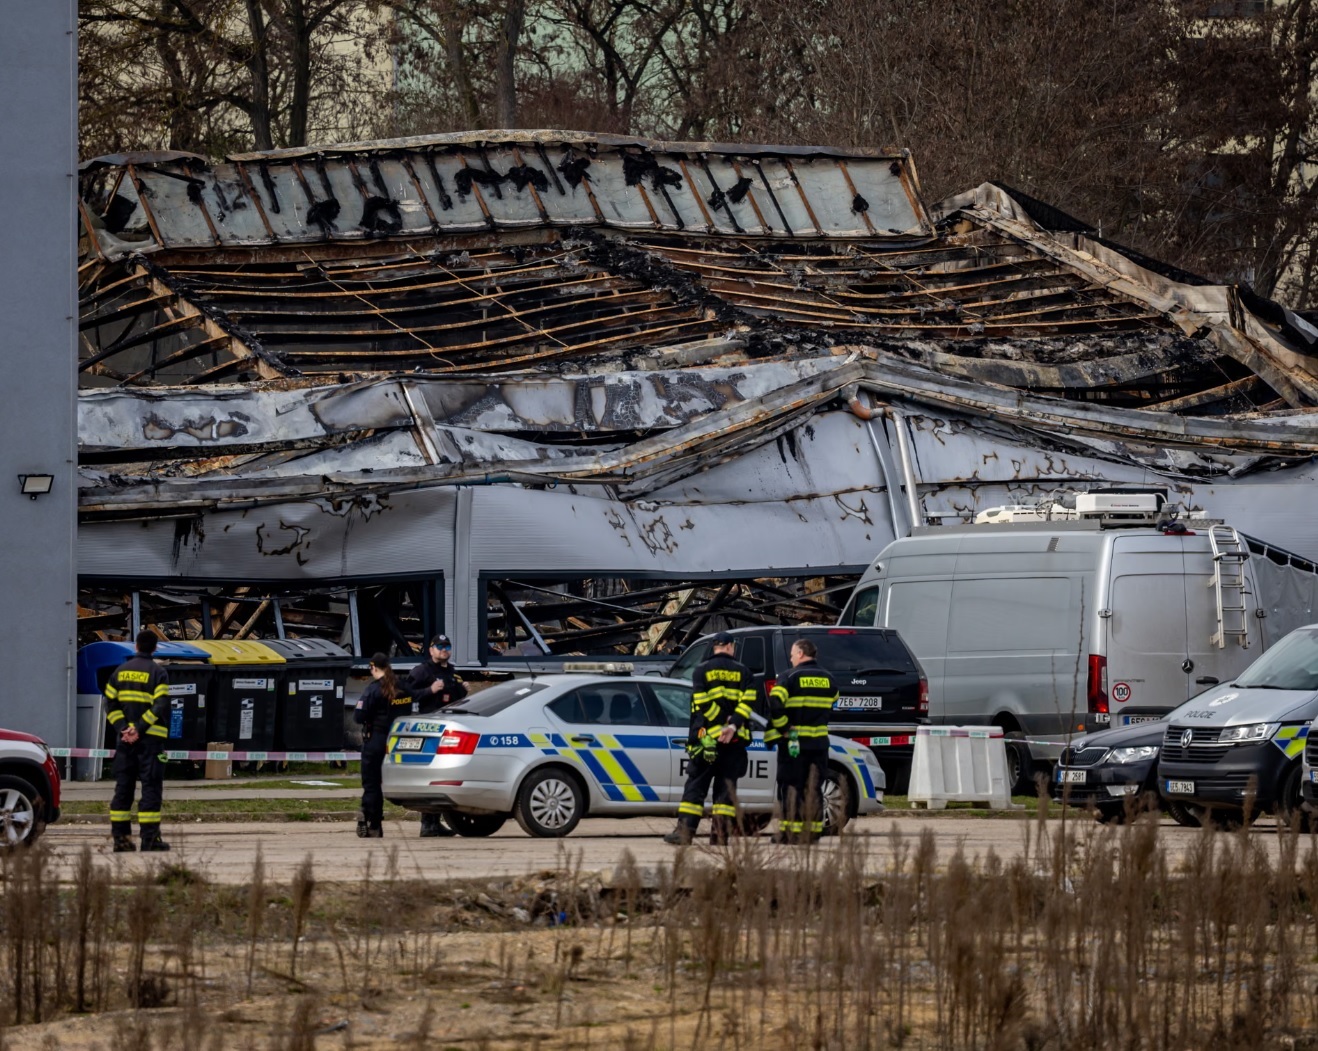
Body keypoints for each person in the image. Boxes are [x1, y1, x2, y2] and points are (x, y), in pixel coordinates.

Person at [663, 632, 755, 846]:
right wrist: (732, 726)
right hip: (734, 742)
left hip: (706, 740)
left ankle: (684, 833)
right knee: (726, 791)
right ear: (731, 647)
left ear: (714, 647)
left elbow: (702, 702)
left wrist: (719, 724)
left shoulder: (701, 670)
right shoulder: (744, 672)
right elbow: (747, 703)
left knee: (695, 787)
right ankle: (720, 837)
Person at [104, 631, 173, 852]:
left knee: (123, 789)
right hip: (151, 742)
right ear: (154, 648)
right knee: (151, 788)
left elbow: (110, 705)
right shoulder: (158, 673)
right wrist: (139, 729)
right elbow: (160, 705)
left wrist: (124, 729)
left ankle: (121, 841)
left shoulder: (119, 672)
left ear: (136, 646)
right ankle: (150, 839)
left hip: (125, 742)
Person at [766, 638, 838, 845]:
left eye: (791, 654)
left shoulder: (789, 677)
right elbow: (834, 700)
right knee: (814, 787)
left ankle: (790, 833)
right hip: (819, 744)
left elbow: (775, 703)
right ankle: (813, 832)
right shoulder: (829, 679)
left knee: (791, 787)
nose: (790, 658)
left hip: (794, 744)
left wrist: (784, 728)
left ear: (800, 653)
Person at [406, 634, 469, 837]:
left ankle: (435, 822)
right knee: (429, 776)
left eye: (447, 645)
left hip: (446, 729)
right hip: (427, 730)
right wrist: (429, 690)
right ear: (431, 650)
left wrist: (463, 691)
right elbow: (406, 696)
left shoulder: (451, 672)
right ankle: (427, 823)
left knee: (442, 777)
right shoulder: (421, 672)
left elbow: (452, 699)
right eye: (439, 646)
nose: (444, 649)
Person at [354, 653, 411, 838]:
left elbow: (358, 717)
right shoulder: (402, 687)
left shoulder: (372, 690)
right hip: (398, 741)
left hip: (376, 741)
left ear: (373, 668)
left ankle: (373, 821)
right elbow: (416, 698)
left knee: (371, 784)